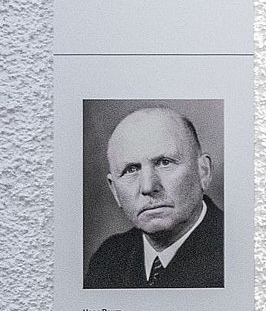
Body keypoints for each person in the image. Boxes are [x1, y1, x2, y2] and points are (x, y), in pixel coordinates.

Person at [84, 105, 223, 289]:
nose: (148, 187)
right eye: (131, 170)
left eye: (165, 163)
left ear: (203, 171)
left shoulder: (239, 252)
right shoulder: (107, 260)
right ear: (114, 190)